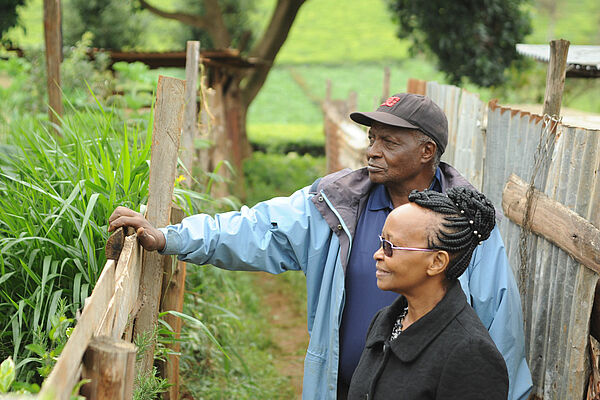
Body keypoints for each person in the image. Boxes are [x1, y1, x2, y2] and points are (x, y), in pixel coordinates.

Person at [108, 93, 532, 400]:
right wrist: (171, 237)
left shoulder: (464, 226)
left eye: (389, 142)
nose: (374, 151)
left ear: (427, 152)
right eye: (372, 138)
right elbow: (256, 229)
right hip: (344, 387)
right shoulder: (339, 203)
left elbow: (500, 324)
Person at [347, 187, 508, 400]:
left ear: (437, 262)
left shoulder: (470, 353)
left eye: (390, 246)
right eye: (381, 242)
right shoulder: (385, 321)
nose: (378, 254)